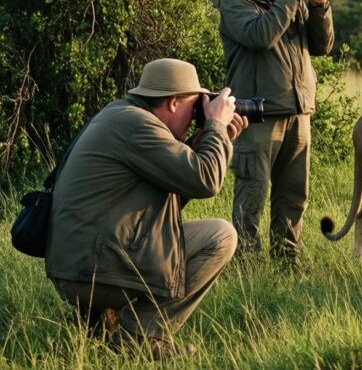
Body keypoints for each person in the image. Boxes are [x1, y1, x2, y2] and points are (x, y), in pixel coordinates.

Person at [45, 58, 247, 360]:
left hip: (80, 264)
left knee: (174, 237)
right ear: (175, 103)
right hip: (92, 272)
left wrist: (212, 140)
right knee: (221, 236)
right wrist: (216, 125)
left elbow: (172, 194)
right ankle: (138, 336)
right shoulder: (138, 126)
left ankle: (105, 326)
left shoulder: (122, 116)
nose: (197, 117)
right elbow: (206, 180)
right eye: (195, 109)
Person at [219, 0, 335, 265]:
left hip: (297, 111)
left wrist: (318, 5)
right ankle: (246, 268)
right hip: (257, 115)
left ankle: (288, 262)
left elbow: (321, 47)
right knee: (252, 195)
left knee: (294, 196)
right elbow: (259, 36)